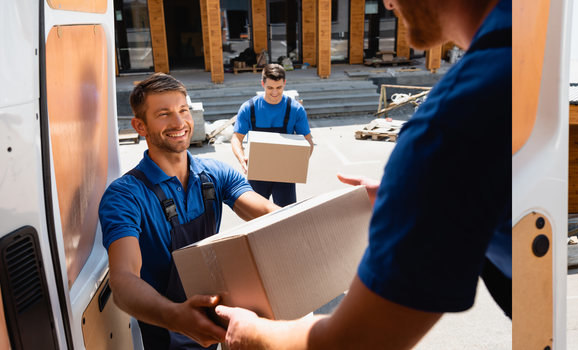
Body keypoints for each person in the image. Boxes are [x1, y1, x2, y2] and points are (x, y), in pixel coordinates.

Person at [213, 0, 511, 348]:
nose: (385, 3)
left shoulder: (451, 123)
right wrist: (413, 192)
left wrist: (248, 331)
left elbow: (354, 341)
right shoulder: (525, 52)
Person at [98, 73, 280, 349]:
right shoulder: (124, 196)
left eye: (184, 110)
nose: (179, 122)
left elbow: (266, 210)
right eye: (164, 114)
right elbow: (123, 280)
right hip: (165, 328)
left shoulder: (215, 173)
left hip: (212, 315)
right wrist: (176, 317)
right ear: (140, 126)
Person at [230, 63, 314, 207]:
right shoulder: (249, 108)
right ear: (262, 84)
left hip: (285, 174)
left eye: (279, 88)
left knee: (285, 216)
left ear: (284, 84)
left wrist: (299, 162)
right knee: (256, 216)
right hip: (257, 172)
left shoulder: (295, 109)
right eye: (270, 88)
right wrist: (242, 158)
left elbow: (308, 142)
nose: (274, 92)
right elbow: (236, 138)